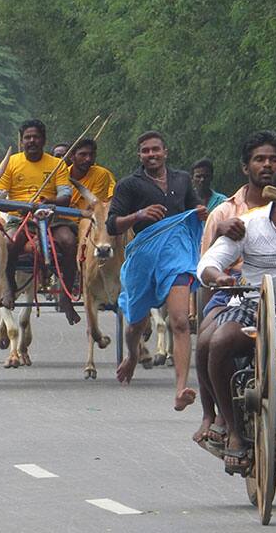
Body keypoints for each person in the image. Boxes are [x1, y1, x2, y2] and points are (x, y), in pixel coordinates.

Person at [196, 165, 276, 474]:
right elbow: (208, 264)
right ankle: (234, 432)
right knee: (219, 341)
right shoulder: (249, 224)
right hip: (254, 304)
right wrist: (221, 277)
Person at [194, 131, 276, 450]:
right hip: (235, 294)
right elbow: (207, 264)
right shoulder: (236, 217)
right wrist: (217, 282)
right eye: (260, 159)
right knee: (208, 338)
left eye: (274, 159)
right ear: (246, 167)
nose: (268, 165)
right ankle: (216, 416)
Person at [106, 130, 207, 410]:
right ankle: (132, 354)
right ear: (140, 156)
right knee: (136, 323)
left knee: (179, 321)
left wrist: (201, 212)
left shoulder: (182, 180)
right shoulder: (129, 185)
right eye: (145, 151)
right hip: (144, 256)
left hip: (176, 256)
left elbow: (193, 208)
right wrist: (138, 215)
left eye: (155, 150)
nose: (151, 155)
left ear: (165, 152)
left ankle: (180, 388)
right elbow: (112, 224)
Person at [0, 120, 80, 324]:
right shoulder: (11, 163)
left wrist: (48, 202)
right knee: (8, 244)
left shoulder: (56, 164)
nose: (32, 141)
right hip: (21, 218)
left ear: (43, 140)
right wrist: (24, 205)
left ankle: (66, 297)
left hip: (53, 218)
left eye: (36, 137)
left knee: (69, 242)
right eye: (27, 137)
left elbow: (65, 196)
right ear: (21, 141)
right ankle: (8, 288)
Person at [68, 138, 116, 208]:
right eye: (83, 154)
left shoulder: (101, 174)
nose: (88, 159)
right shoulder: (62, 174)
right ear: (71, 156)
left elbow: (93, 207)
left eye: (91, 154)